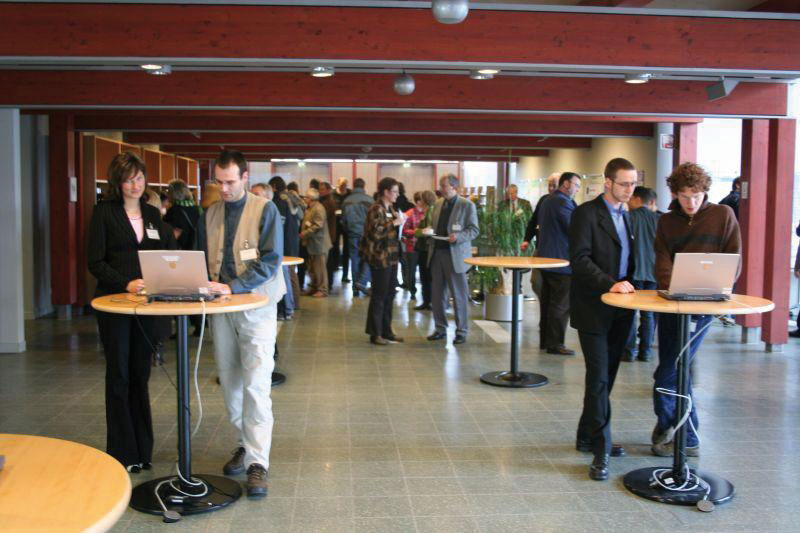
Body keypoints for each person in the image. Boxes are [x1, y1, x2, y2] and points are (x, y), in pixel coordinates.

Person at [197, 150, 285, 499]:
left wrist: (233, 286)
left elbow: (271, 261)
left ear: (245, 178)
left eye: (230, 182)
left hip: (257, 307)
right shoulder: (210, 213)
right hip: (222, 309)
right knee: (230, 380)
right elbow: (203, 259)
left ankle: (257, 462)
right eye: (219, 182)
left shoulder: (266, 210)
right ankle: (244, 443)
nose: (224, 189)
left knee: (256, 384)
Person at [88, 151, 178, 472]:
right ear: (117, 183)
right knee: (119, 375)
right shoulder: (103, 213)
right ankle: (122, 453)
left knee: (140, 374)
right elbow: (95, 261)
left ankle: (143, 449)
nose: (135, 185)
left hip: (146, 307)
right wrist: (125, 283)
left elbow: (167, 253)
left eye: (139, 178)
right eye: (128, 180)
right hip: (114, 305)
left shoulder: (153, 214)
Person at [651, 162, 741, 458]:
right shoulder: (667, 222)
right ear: (675, 194)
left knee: (671, 370)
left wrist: (719, 286)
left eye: (696, 196)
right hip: (671, 304)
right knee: (672, 367)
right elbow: (662, 259)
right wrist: (673, 286)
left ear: (705, 192)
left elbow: (733, 258)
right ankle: (675, 428)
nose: (691, 203)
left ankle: (681, 433)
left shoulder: (723, 215)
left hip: (704, 305)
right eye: (684, 196)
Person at [569, 157, 638, 481]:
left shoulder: (630, 216)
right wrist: (609, 283)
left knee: (606, 377)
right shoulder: (586, 213)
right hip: (594, 306)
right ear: (608, 182)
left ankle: (586, 435)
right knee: (598, 376)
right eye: (624, 183)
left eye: (633, 183)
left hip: (622, 308)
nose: (629, 189)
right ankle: (601, 448)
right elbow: (579, 259)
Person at [425, 174, 480, 345]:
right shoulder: (438, 204)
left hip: (455, 256)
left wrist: (459, 236)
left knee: (459, 295)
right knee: (437, 295)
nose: (440, 189)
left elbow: (474, 230)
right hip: (437, 254)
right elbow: (434, 225)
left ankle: (461, 331)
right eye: (441, 185)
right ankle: (440, 328)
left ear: (454, 187)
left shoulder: (467, 205)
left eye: (444, 186)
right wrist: (429, 231)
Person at [538, 172, 581, 356]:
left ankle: (546, 341)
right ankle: (555, 344)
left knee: (548, 303)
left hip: (547, 260)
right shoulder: (563, 202)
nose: (577, 189)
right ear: (566, 184)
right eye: (576, 185)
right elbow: (575, 228)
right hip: (561, 261)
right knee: (560, 305)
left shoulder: (547, 200)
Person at [361, 177, 406, 345]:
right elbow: (375, 233)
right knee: (379, 296)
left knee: (390, 295)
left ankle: (387, 331)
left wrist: (401, 226)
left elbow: (392, 231)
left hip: (392, 257)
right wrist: (394, 223)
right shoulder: (376, 209)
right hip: (380, 258)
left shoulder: (391, 209)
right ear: (386, 192)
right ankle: (376, 333)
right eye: (394, 191)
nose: (397, 194)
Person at [622, 186, 660, 362]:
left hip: (633, 271)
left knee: (630, 313)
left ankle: (628, 352)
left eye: (631, 198)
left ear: (637, 199)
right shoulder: (659, 219)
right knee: (648, 314)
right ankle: (646, 352)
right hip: (653, 272)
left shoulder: (628, 217)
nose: (628, 202)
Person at [163, 179, 204, 335]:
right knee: (194, 292)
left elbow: (172, 235)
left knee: (177, 293)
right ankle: (199, 324)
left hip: (178, 256)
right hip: (196, 255)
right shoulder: (197, 209)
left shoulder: (173, 211)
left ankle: (181, 328)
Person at [269, 176, 300, 320]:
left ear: (274, 187)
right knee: (289, 275)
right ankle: (291, 306)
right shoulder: (291, 200)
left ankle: (286, 309)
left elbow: (279, 227)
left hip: (283, 245)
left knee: (285, 276)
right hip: (292, 241)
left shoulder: (277, 203)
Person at [341, 178, 374, 296]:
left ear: (354, 186)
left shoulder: (346, 201)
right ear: (364, 186)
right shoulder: (370, 200)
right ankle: (363, 283)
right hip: (367, 235)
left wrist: (348, 230)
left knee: (354, 260)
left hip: (352, 235)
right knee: (368, 259)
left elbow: (343, 220)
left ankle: (355, 289)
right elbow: (374, 219)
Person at [300, 187, 332, 297]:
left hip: (319, 244)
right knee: (313, 269)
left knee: (320, 269)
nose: (304, 199)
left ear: (311, 198)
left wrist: (305, 233)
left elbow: (318, 225)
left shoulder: (319, 208)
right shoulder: (310, 208)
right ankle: (313, 288)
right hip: (312, 244)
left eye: (306, 197)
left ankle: (323, 290)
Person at [412, 190, 438, 311]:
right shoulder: (428, 211)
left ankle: (429, 301)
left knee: (427, 276)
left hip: (426, 249)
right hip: (424, 248)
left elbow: (426, 231)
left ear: (425, 200)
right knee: (425, 276)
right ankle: (427, 301)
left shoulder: (430, 212)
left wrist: (418, 232)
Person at [400, 192, 427, 299]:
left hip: (424, 247)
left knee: (424, 270)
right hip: (412, 246)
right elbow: (404, 230)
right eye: (423, 200)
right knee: (411, 270)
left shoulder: (427, 212)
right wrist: (416, 232)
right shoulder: (410, 213)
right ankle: (412, 291)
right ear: (418, 201)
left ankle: (424, 293)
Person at [319, 182, 340, 290]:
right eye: (319, 189)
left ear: (328, 190)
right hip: (328, 235)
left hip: (329, 236)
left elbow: (322, 218)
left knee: (328, 263)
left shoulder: (328, 203)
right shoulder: (325, 201)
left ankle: (328, 284)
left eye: (322, 189)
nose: (320, 191)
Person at [333, 177, 352, 283]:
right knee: (334, 247)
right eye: (341, 185)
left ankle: (345, 275)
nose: (343, 187)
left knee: (347, 250)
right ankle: (335, 266)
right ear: (338, 185)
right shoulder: (333, 194)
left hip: (347, 224)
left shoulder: (350, 194)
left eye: (345, 185)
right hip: (335, 224)